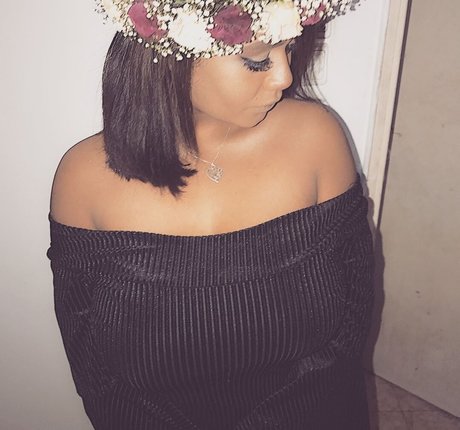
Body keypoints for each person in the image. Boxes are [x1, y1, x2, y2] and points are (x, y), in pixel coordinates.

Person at [48, 0, 374, 429]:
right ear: (170, 55)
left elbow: (353, 307)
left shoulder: (316, 140)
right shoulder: (83, 179)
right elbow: (92, 364)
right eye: (257, 59)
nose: (285, 77)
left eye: (289, 48)